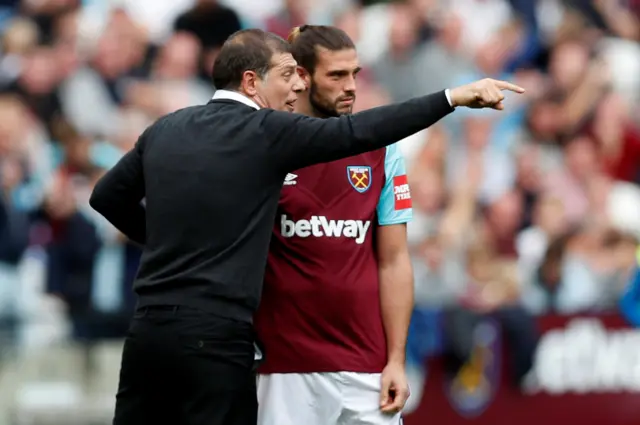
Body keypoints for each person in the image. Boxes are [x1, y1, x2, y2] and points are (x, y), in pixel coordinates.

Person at [89, 28, 524, 425]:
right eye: (286, 75)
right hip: (222, 339)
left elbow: (106, 197)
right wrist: (449, 98)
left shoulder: (166, 128)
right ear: (251, 82)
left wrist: (166, 244)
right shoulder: (264, 131)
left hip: (148, 332)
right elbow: (356, 132)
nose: (295, 85)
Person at [255, 25, 411, 425]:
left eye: (355, 74)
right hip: (286, 368)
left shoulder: (382, 150)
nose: (351, 87)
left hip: (368, 367)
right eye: (337, 76)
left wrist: (395, 359)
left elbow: (394, 260)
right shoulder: (265, 147)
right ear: (302, 77)